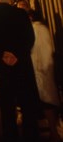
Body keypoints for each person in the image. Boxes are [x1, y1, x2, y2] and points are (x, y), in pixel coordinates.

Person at [0, 0, 41, 141]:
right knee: (27, 103)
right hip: (22, 65)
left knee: (7, 106)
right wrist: (18, 54)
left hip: (3, 66)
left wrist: (2, 53)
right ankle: (31, 134)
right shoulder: (20, 14)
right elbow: (30, 38)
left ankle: (10, 135)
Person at [29, 9, 62, 142]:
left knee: (45, 103)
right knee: (48, 102)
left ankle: (53, 132)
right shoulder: (44, 28)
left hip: (40, 70)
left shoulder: (34, 30)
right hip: (47, 69)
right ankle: (54, 130)